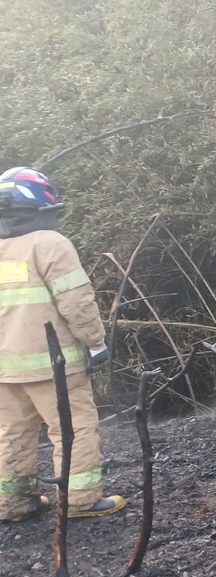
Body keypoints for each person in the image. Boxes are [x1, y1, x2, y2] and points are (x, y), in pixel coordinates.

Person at [0, 167, 125, 521]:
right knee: (74, 429)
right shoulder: (50, 244)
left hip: (5, 370)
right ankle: (80, 501)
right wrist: (96, 342)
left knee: (11, 434)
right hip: (54, 366)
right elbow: (76, 302)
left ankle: (14, 504)